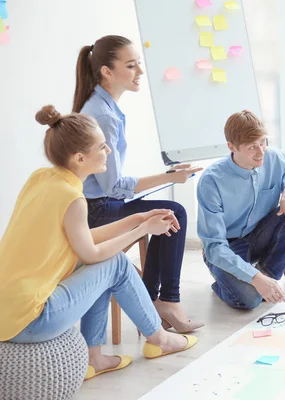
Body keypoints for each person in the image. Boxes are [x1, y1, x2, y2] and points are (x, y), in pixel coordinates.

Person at [0, 106, 197, 380]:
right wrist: (142, 228)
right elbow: (91, 254)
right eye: (103, 147)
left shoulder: (40, 179)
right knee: (114, 262)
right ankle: (160, 339)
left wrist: (138, 217)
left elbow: (82, 240)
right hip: (31, 320)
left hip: (8, 312)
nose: (108, 152)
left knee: (107, 262)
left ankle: (95, 358)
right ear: (80, 158)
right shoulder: (72, 198)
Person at [73, 35, 203, 332]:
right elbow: (112, 186)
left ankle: (154, 300)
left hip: (99, 203)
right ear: (107, 71)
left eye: (138, 64)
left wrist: (169, 175)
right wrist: (169, 177)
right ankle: (163, 301)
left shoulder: (102, 107)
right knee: (174, 213)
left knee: (169, 212)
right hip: (96, 210)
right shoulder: (103, 116)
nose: (140, 73)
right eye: (131, 66)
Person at [197, 110, 285, 310]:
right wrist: (253, 278)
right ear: (232, 147)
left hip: (261, 234)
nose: (261, 152)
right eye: (252, 147)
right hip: (227, 247)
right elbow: (215, 248)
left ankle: (267, 275)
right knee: (250, 300)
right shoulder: (211, 181)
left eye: (263, 142)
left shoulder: (276, 159)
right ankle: (226, 283)